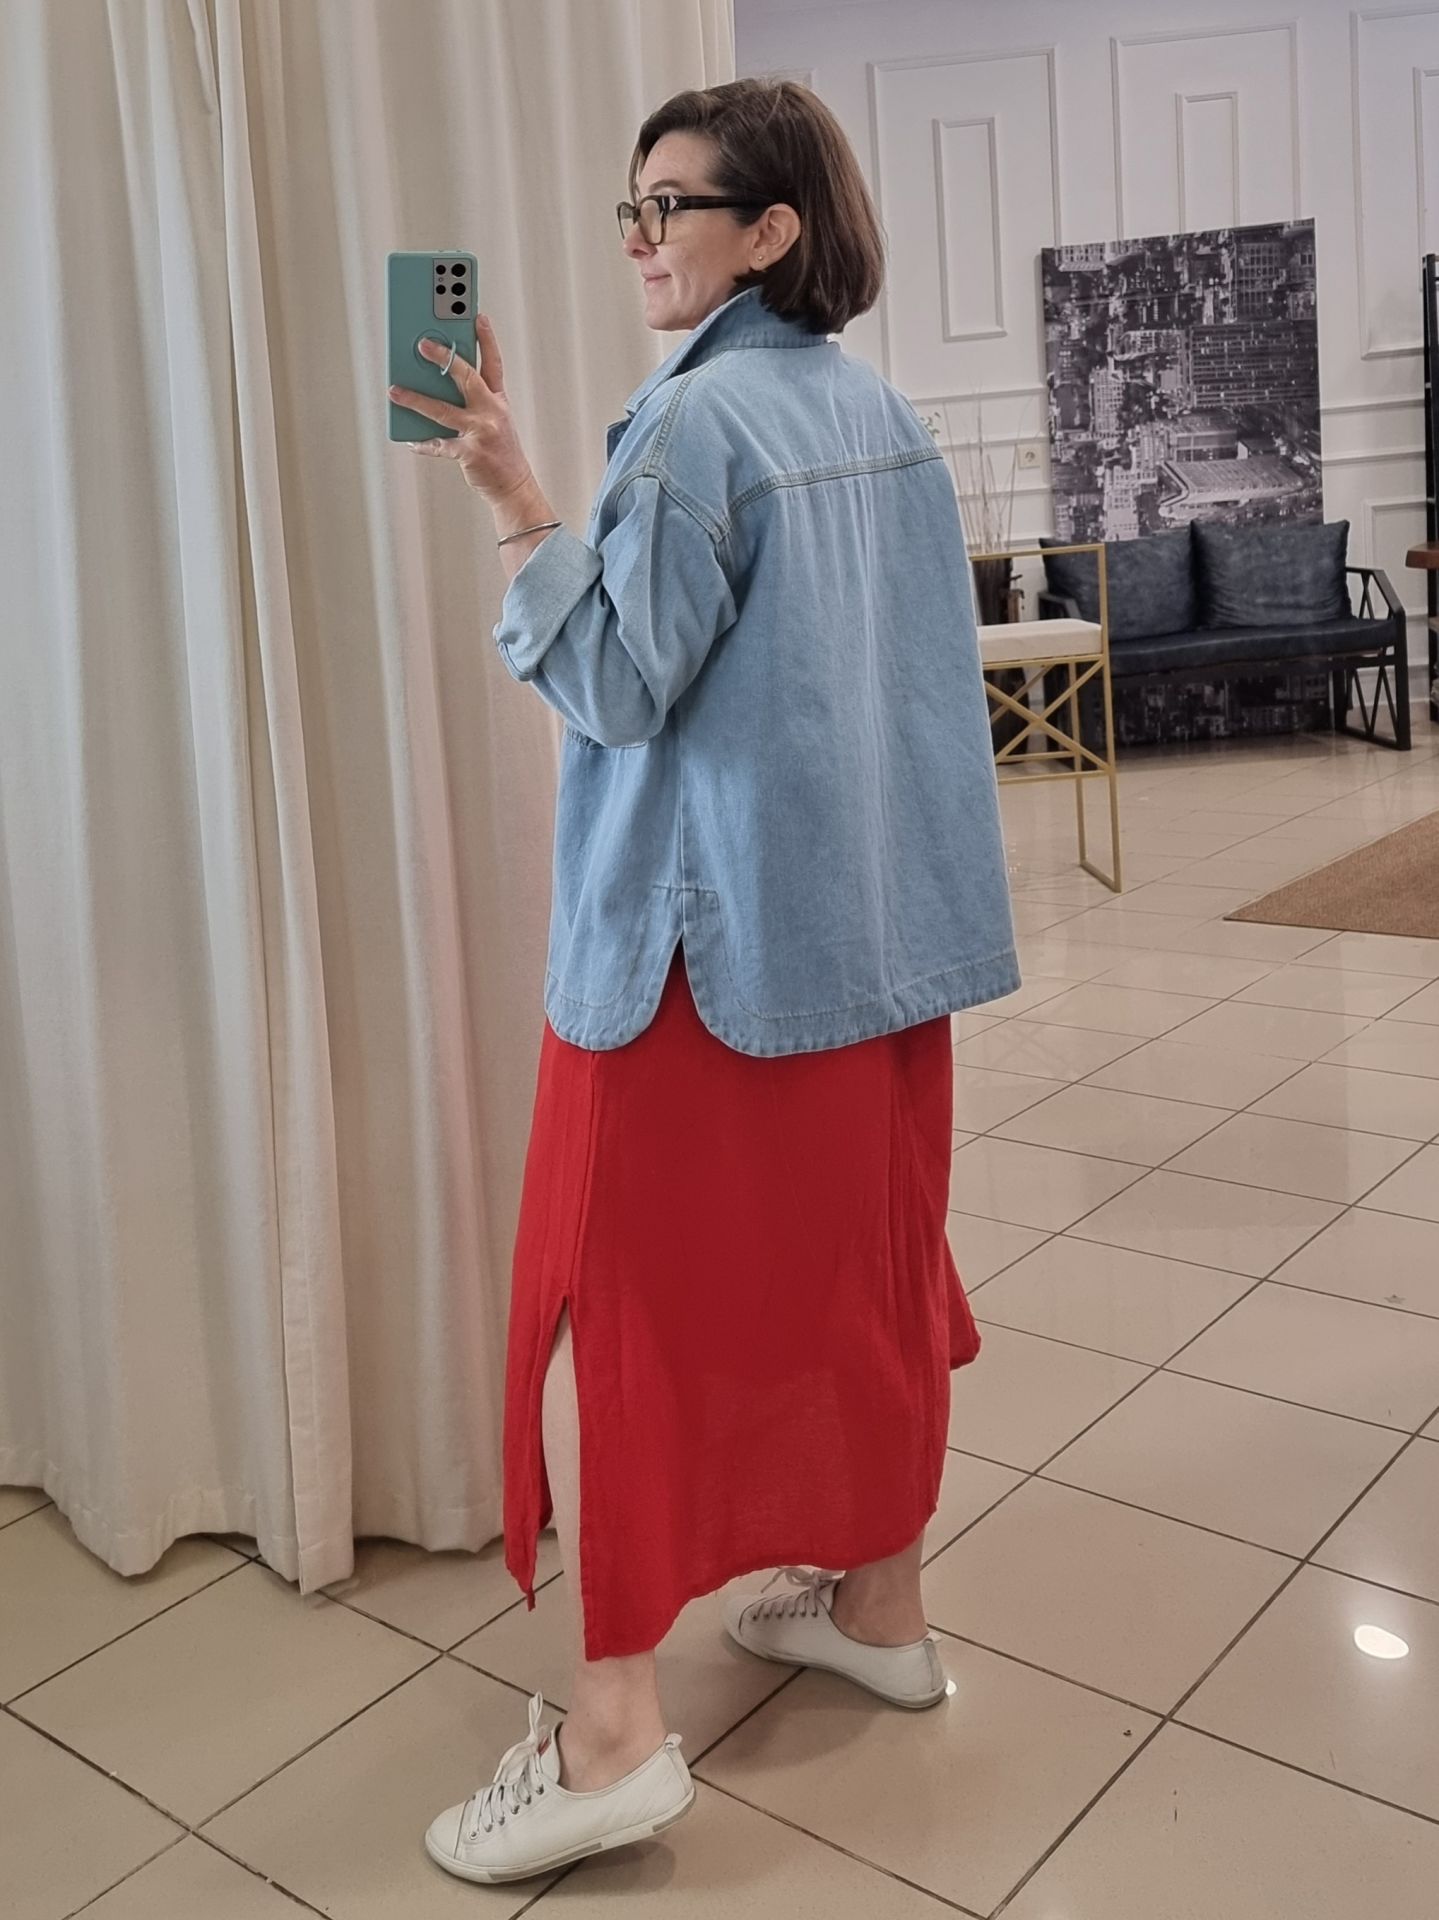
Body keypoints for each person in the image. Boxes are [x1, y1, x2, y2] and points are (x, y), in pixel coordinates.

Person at [388, 77, 1017, 1888]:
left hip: (699, 961)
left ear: (770, 232)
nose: (641, 237)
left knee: (619, 1323)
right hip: (874, 953)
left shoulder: (690, 422)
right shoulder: (888, 419)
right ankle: (879, 1606)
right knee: (866, 1281)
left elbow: (613, 686)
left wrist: (514, 494)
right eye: (632, 208)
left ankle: (611, 1739)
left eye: (671, 205)